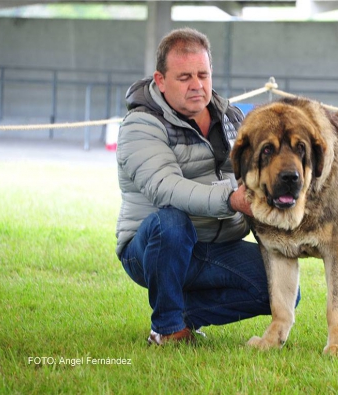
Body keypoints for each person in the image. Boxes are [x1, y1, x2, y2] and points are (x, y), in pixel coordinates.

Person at [115, 27, 285, 345]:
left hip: (217, 246)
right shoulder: (140, 125)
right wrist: (232, 200)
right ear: (160, 80)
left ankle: (182, 315)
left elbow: (260, 180)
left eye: (203, 75)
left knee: (283, 291)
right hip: (152, 247)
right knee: (171, 221)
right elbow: (165, 188)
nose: (198, 86)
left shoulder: (234, 117)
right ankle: (166, 328)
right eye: (185, 78)